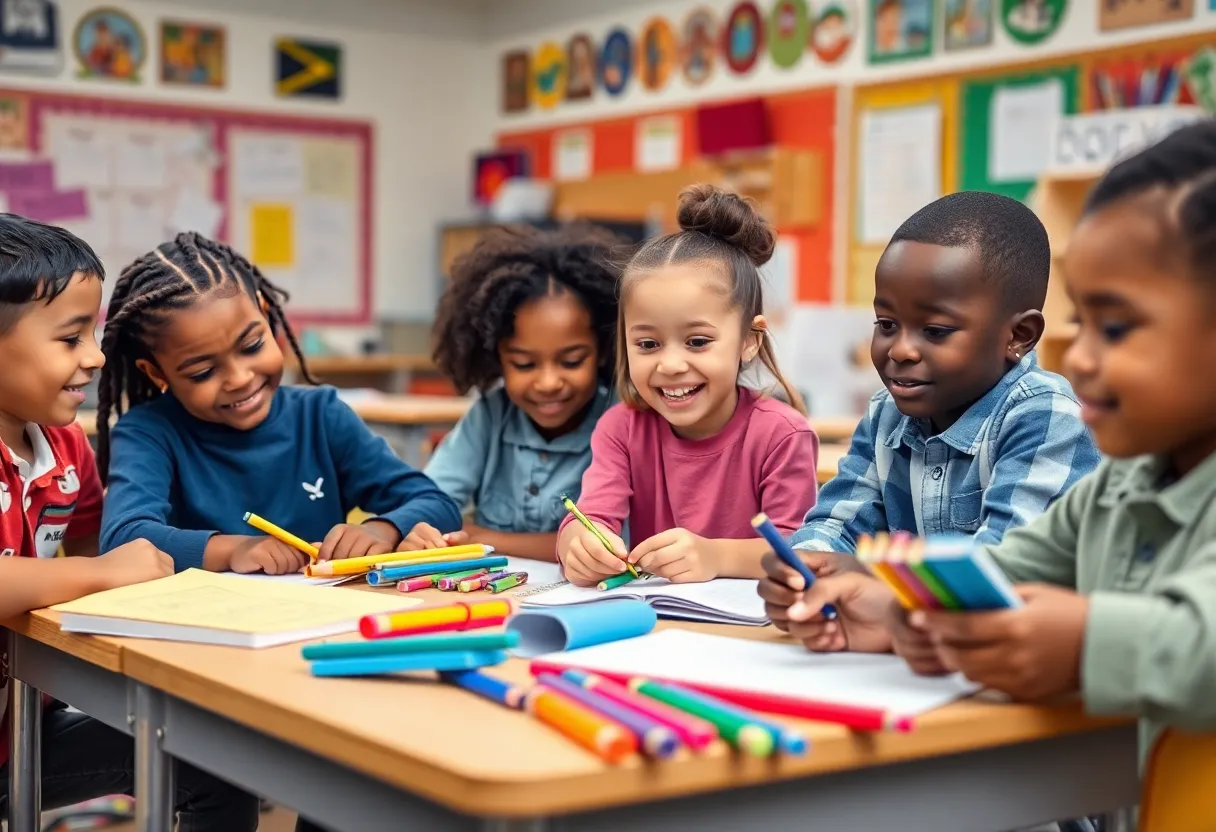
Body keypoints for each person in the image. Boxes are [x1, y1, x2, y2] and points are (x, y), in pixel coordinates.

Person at [761, 119, 1216, 774]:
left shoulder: (1048, 417)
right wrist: (891, 614)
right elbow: (1006, 570)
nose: (1080, 358)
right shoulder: (1121, 488)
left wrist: (1085, 642)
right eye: (1081, 323)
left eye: (1114, 328)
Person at [0, 213, 259, 829]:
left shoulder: (66, 448)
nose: (94, 357)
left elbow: (113, 566)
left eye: (92, 334)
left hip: (19, 734)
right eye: (69, 339)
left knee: (214, 763)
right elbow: (102, 567)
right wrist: (101, 571)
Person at [96, 232, 461, 574]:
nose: (239, 378)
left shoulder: (320, 416)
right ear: (157, 373)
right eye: (203, 372)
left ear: (266, 312)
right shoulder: (148, 432)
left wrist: (384, 530)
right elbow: (123, 538)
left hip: (318, 620)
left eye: (252, 346)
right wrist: (235, 551)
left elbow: (437, 503)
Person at [787, 191, 1099, 562]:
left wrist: (864, 578)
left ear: (1018, 336)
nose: (901, 350)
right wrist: (806, 568)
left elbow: (1004, 565)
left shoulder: (1047, 419)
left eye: (935, 331)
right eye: (886, 324)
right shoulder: (886, 415)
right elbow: (838, 526)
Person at [558, 185, 819, 586]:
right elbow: (591, 517)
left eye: (697, 341)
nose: (671, 364)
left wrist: (715, 555)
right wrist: (578, 544)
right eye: (647, 344)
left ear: (750, 339)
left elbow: (799, 550)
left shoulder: (782, 434)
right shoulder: (620, 428)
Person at [415, 225, 621, 561]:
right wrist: (420, 527)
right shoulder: (490, 416)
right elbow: (431, 500)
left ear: (603, 349)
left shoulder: (620, 423)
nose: (548, 382)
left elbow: (608, 545)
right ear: (497, 357)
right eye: (524, 364)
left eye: (571, 361)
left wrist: (482, 537)